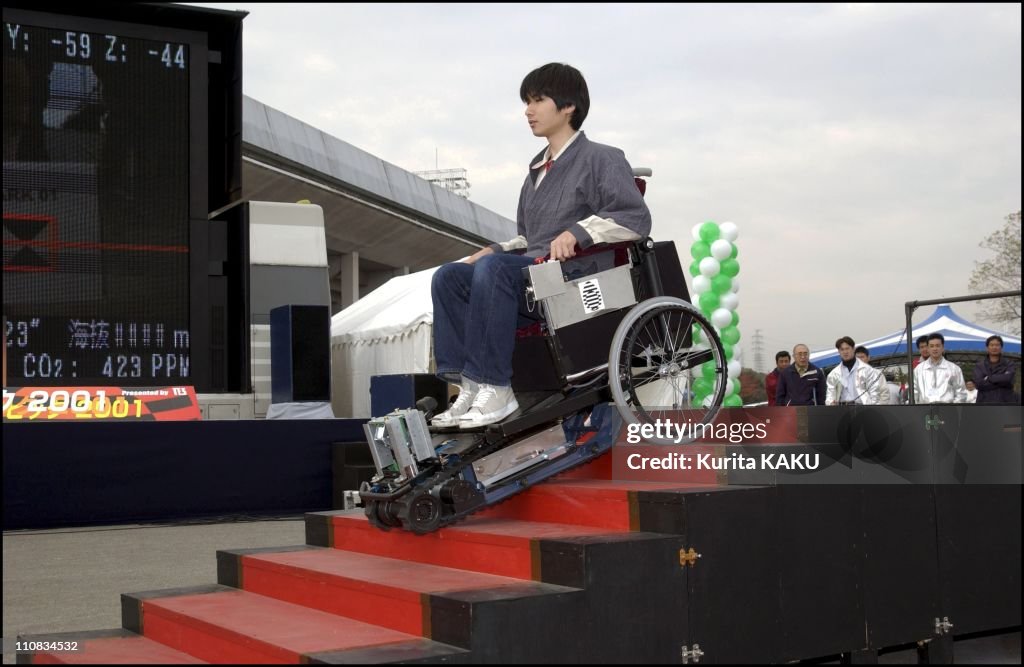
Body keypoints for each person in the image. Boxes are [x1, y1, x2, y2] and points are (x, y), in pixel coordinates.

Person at [430, 63, 652, 428]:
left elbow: (633, 219)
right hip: (534, 271)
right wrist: (497, 249)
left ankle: (497, 387)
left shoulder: (602, 157)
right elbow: (529, 238)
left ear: (568, 107)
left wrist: (578, 233)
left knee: (493, 271)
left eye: (538, 100)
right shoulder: (536, 170)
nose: (528, 111)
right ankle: (470, 385)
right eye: (526, 102)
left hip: (575, 276)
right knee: (450, 276)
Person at [825, 336, 887, 405]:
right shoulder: (833, 374)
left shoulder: (868, 370)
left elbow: (875, 393)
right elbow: (830, 396)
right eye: (842, 349)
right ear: (839, 351)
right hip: (842, 409)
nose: (845, 352)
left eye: (847, 348)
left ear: (853, 349)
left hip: (863, 409)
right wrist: (831, 404)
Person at [913, 333, 967, 404]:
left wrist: (952, 409)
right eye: (931, 346)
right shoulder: (918, 369)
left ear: (943, 347)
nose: (935, 349)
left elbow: (961, 393)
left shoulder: (954, 369)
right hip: (924, 411)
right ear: (928, 348)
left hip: (947, 411)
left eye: (937, 346)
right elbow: (914, 392)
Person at [973, 334, 1018, 404]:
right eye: (992, 345)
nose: (994, 347)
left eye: (997, 345)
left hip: (1005, 403)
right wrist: (1001, 378)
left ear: (1001, 347)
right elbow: (979, 384)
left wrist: (989, 378)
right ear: (987, 347)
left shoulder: (1009, 364)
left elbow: (1008, 379)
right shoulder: (980, 366)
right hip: (984, 403)